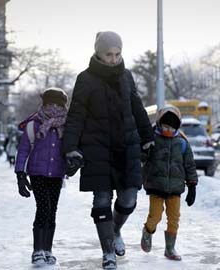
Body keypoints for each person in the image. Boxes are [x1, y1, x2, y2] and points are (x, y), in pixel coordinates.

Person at [62, 31, 154, 269]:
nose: (113, 59)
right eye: (109, 54)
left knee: (129, 198)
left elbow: (138, 108)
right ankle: (107, 252)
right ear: (98, 53)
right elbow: (76, 115)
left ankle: (115, 230)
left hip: (127, 146)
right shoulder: (85, 79)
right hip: (97, 147)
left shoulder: (126, 76)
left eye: (117, 54)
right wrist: (71, 147)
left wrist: (147, 138)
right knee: (101, 200)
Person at [14, 87, 68, 266]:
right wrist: (20, 175)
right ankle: (37, 250)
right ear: (44, 104)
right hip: (37, 173)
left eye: (57, 104)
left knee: (52, 211)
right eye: (50, 103)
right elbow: (23, 151)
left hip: (57, 174)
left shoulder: (66, 126)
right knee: (43, 207)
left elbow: (72, 148)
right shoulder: (34, 124)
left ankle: (47, 250)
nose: (53, 107)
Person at [140, 104, 198, 261]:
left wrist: (192, 185)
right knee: (155, 216)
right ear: (159, 123)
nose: (168, 130)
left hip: (175, 188)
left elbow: (189, 164)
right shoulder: (151, 138)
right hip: (156, 186)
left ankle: (170, 248)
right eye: (165, 126)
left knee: (174, 219)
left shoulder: (182, 142)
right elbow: (142, 160)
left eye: (172, 128)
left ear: (177, 126)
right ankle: (148, 231)